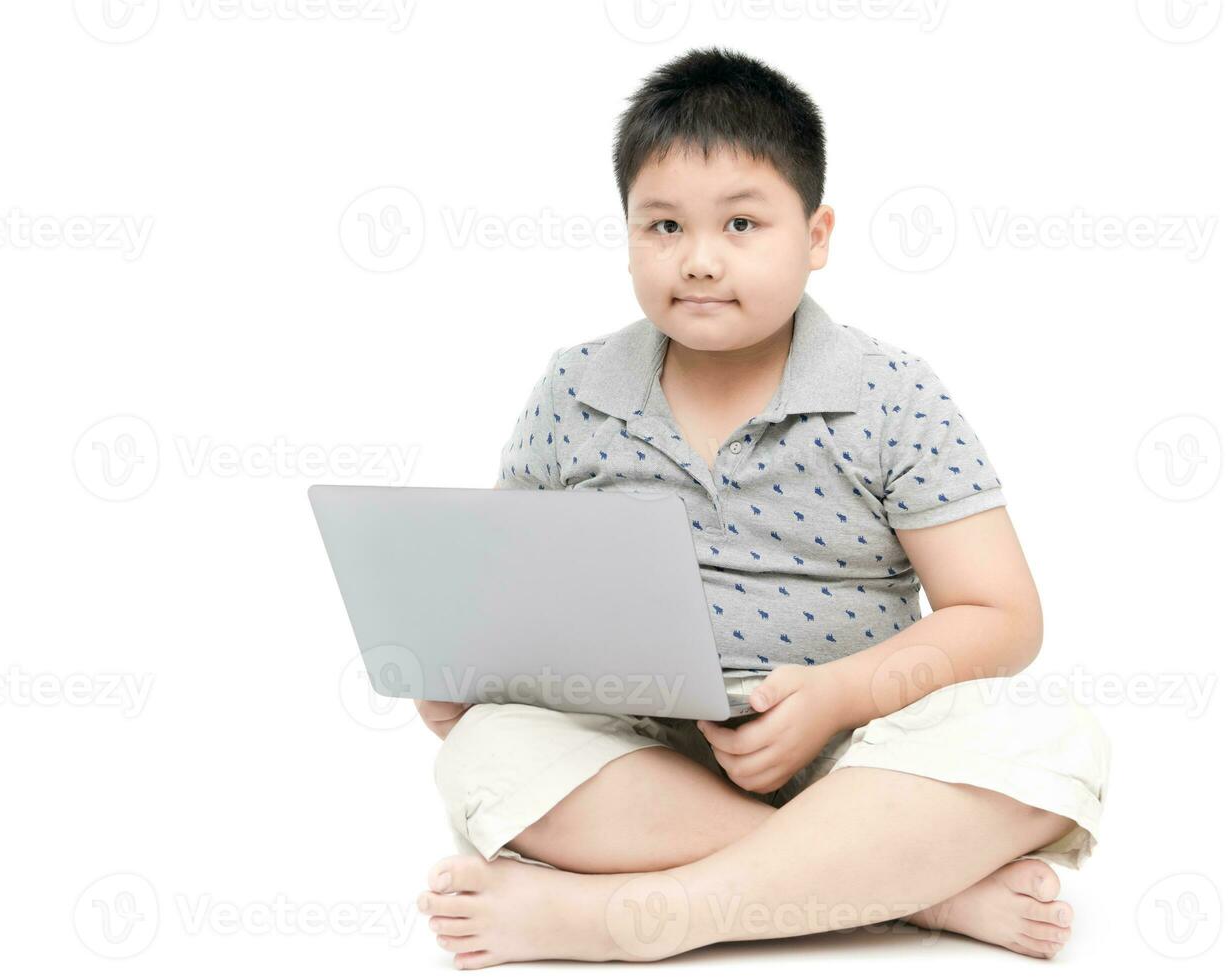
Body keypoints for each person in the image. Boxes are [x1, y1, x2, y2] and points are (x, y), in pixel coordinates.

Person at [412, 46, 1109, 968]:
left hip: (864, 753)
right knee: (483, 756)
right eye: (662, 227)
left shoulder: (890, 392)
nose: (698, 261)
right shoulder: (576, 389)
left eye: (742, 223)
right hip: (645, 756)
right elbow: (508, 587)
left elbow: (1003, 616)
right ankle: (916, 888)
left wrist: (834, 698)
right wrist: (467, 671)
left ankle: (644, 915)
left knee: (1053, 737)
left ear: (816, 236)